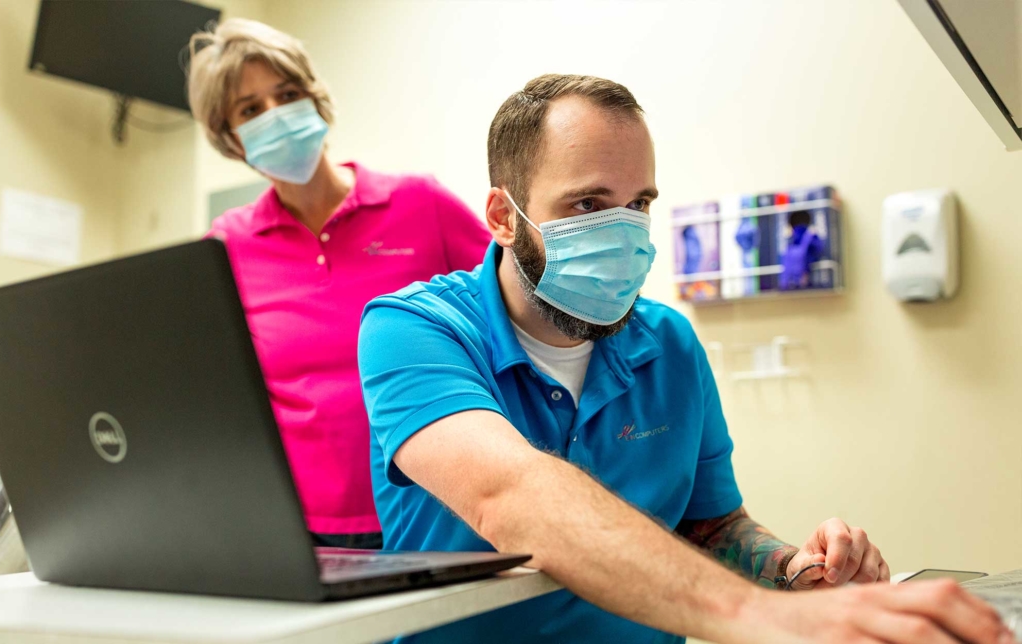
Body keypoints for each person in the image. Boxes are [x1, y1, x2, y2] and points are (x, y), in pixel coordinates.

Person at [358, 74, 1011, 643]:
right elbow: (512, 497)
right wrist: (773, 621)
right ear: (503, 215)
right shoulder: (414, 331)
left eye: (638, 204)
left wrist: (796, 575)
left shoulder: (667, 343)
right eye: (587, 204)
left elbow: (711, 525)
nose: (622, 231)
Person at [186, 19, 490, 549]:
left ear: (315, 99)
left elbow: (510, 309)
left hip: (438, 502)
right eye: (250, 110)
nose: (275, 116)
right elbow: (217, 395)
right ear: (230, 138)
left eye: (286, 95)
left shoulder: (420, 203)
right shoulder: (226, 245)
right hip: (306, 526)